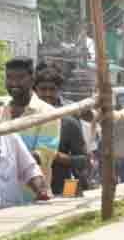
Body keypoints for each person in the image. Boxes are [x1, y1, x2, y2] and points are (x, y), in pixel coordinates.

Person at [3, 57, 59, 193]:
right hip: (1, 198)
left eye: (20, 78)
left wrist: (4, 160)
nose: (14, 83)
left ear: (32, 80)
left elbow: (43, 155)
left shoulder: (48, 113)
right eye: (9, 78)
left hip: (33, 198)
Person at [33, 67, 90, 195]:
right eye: (43, 89)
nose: (47, 93)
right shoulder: (24, 118)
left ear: (59, 91)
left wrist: (56, 156)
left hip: (61, 188)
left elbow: (82, 160)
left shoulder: (68, 120)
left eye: (52, 89)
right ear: (35, 90)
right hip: (28, 188)